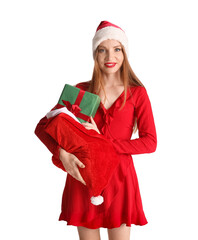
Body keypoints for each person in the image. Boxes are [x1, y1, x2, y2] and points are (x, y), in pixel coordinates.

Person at [35, 21, 157, 240]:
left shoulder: (137, 93)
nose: (110, 57)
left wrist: (104, 141)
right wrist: (61, 153)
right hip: (83, 178)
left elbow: (150, 142)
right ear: (95, 54)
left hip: (121, 179)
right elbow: (42, 128)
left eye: (116, 49)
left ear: (125, 53)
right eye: (102, 50)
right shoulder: (80, 91)